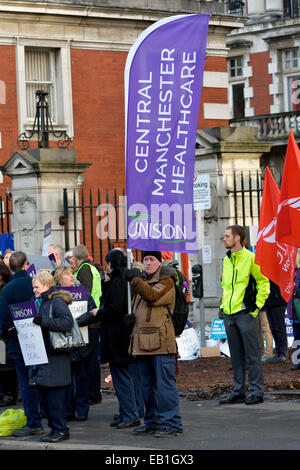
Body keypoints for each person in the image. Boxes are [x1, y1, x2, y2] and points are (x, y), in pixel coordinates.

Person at [125, 250, 184, 438]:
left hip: (160, 342)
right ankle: (152, 421)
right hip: (142, 342)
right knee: (146, 387)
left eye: (152, 259)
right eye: (145, 260)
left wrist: (135, 280)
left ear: (159, 262)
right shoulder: (143, 282)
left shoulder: (166, 280)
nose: (148, 263)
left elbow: (152, 296)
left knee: (165, 385)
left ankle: (172, 424)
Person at [219, 225, 270, 405]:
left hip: (245, 314)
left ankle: (257, 391)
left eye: (227, 236)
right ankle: (238, 390)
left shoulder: (251, 258)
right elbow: (226, 287)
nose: (223, 239)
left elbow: (264, 283)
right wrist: (223, 308)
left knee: (252, 354)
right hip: (229, 314)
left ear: (237, 238)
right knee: (235, 355)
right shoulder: (226, 259)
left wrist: (255, 308)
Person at [91, 249, 141, 428]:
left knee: (122, 377)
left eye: (108, 263)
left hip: (117, 337)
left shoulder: (119, 283)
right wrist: (106, 282)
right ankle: (127, 411)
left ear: (112, 264)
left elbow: (114, 308)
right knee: (124, 377)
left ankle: (130, 414)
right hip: (120, 336)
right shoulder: (119, 281)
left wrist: (99, 312)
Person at [0, 251, 43, 436]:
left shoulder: (8, 289)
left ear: (11, 266)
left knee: (25, 382)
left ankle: (33, 421)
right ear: (26, 264)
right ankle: (43, 415)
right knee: (40, 379)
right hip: (38, 339)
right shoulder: (33, 283)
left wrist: (9, 333)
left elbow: (2, 320)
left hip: (17, 342)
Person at [30, 270, 74, 443]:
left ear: (47, 285)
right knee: (47, 398)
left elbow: (67, 322)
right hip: (44, 356)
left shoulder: (56, 301)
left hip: (56, 356)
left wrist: (44, 322)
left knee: (55, 398)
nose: (34, 290)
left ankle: (61, 430)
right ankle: (55, 429)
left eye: (36, 286)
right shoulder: (39, 302)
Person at [54, 265, 96, 421]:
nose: (72, 276)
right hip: (62, 342)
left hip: (80, 341)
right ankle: (68, 410)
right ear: (59, 278)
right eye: (67, 274)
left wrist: (75, 322)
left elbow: (92, 311)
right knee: (66, 379)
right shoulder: (55, 295)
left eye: (72, 274)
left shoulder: (82, 292)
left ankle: (82, 410)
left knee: (81, 377)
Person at [264, 280, 288, 363]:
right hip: (268, 302)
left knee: (279, 328)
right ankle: (279, 352)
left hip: (278, 301)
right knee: (273, 328)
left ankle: (283, 353)